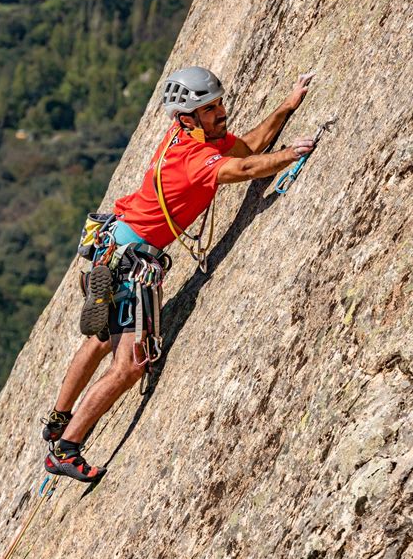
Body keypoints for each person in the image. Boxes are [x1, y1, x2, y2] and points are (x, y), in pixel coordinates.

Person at [42, 66, 315, 482]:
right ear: (188, 117)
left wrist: (287, 105)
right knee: (131, 364)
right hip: (133, 262)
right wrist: (291, 155)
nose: (221, 111)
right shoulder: (197, 158)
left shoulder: (187, 137)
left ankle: (59, 419)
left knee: (100, 340)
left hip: (113, 245)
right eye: (210, 108)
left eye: (219, 103)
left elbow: (248, 147)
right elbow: (243, 170)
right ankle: (66, 448)